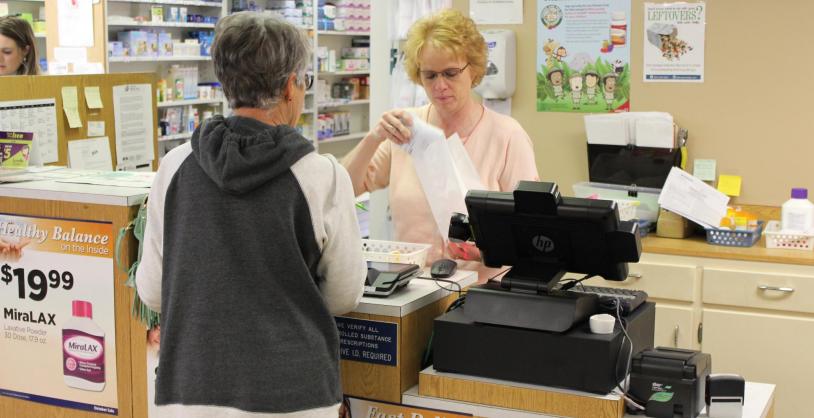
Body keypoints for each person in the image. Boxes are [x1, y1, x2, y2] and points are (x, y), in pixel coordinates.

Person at [135, 12, 366, 418]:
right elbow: (343, 295)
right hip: (293, 394)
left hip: (190, 391)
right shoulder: (322, 175)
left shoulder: (174, 168)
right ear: (291, 85)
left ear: (226, 83)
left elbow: (153, 290)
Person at [342, 9, 539, 282]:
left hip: (482, 293)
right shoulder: (406, 131)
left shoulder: (506, 136)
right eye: (430, 76)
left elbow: (530, 229)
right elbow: (344, 188)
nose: (440, 86)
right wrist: (374, 137)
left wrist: (486, 250)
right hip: (413, 290)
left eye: (450, 73)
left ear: (474, 70)